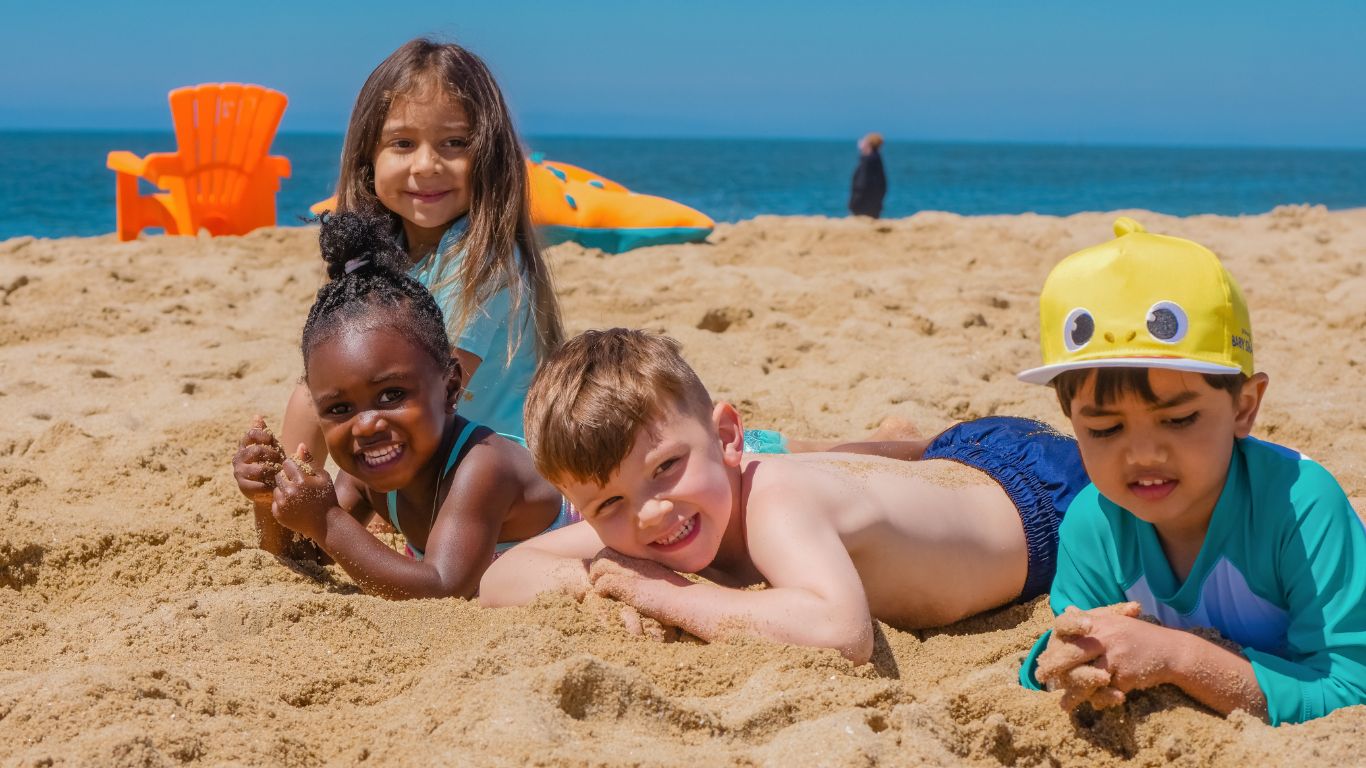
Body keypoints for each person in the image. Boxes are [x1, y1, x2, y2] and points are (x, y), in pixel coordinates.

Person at [479, 328, 1091, 664]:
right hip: (951, 471)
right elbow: (503, 575)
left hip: (1043, 497)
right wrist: (603, 578)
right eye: (609, 504)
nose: (651, 511)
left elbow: (841, 633)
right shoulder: (655, 518)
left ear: (727, 437)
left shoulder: (774, 499)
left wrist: (660, 594)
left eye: (667, 467)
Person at [1015, 218, 1366, 725]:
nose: (1142, 454)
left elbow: (1351, 689)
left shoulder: (1300, 506)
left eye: (1178, 419)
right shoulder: (1094, 523)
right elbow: (1061, 654)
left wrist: (1180, 657)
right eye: (1105, 428)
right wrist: (1061, 664)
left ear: (1244, 406)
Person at [231, 212, 577, 599]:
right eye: (340, 409)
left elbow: (443, 587)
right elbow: (306, 556)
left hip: (589, 543)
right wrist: (268, 499)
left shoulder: (482, 467)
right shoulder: (366, 473)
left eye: (391, 395)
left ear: (450, 388)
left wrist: (327, 518)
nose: (366, 425)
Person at [280, 37, 563, 470]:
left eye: (455, 143)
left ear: (490, 156)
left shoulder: (482, 258)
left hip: (495, 465)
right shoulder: (382, 250)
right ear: (368, 158)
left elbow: (433, 393)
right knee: (315, 388)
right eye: (403, 143)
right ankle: (288, 498)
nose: (427, 164)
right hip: (426, 449)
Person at [848, 132, 887, 219]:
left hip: (863, 206)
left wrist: (853, 204)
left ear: (868, 144)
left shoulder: (868, 161)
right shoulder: (876, 159)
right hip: (874, 205)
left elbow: (861, 184)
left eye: (863, 141)